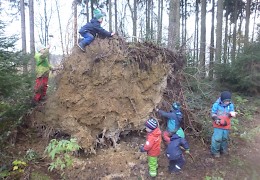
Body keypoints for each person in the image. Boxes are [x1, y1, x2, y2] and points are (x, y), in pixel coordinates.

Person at [211, 91, 237, 158]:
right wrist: (216, 119)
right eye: (226, 101)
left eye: (228, 101)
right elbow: (213, 113)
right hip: (218, 125)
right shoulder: (216, 104)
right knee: (217, 139)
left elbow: (231, 112)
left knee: (224, 138)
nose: (227, 102)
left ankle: (223, 150)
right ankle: (215, 152)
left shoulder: (230, 105)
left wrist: (232, 114)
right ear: (222, 100)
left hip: (226, 125)